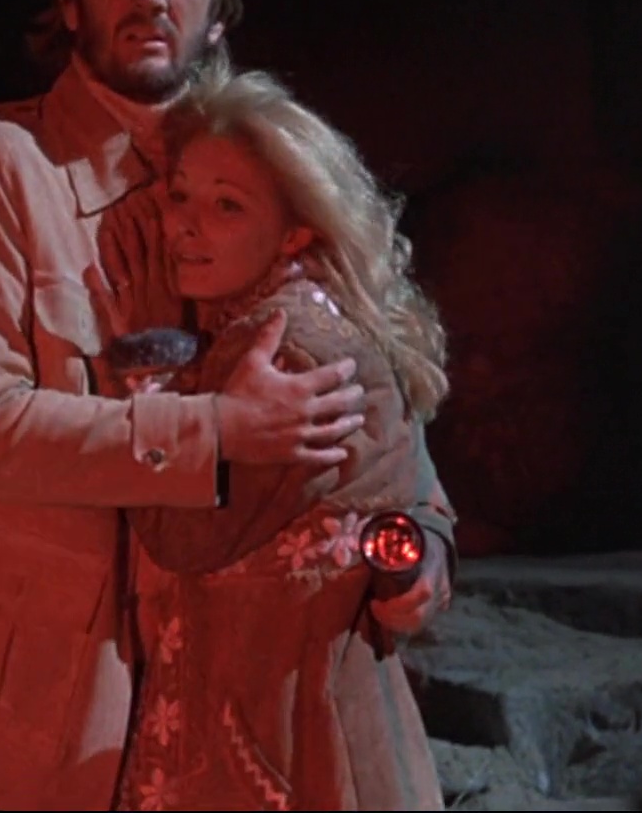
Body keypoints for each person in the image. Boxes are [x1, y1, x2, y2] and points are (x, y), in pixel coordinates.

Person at [0, 0, 371, 811]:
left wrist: (421, 544)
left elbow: (371, 373)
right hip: (29, 724)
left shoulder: (267, 172)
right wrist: (219, 430)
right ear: (70, 4)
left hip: (214, 713)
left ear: (218, 14)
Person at [115, 65, 457, 811]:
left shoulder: (282, 346)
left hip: (272, 721)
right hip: (310, 703)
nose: (183, 226)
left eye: (227, 206)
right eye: (180, 196)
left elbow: (181, 538)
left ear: (297, 227)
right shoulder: (327, 316)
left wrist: (150, 375)